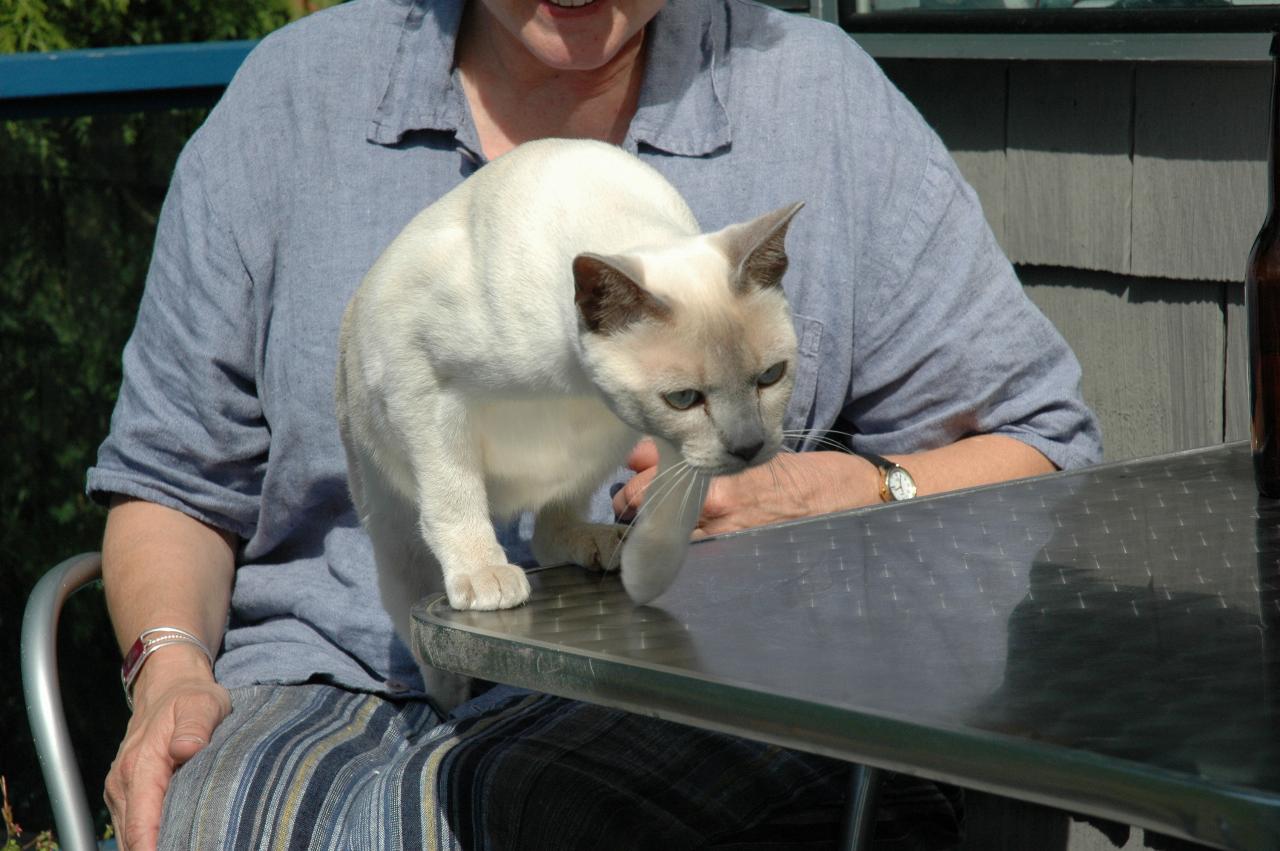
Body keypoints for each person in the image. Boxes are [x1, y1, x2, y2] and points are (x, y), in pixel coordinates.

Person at [89, 0, 1102, 847]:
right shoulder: (292, 98)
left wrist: (858, 487)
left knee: (486, 817)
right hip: (322, 670)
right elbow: (175, 481)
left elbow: (1040, 440)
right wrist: (169, 663)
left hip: (697, 680)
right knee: (221, 819)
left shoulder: (820, 102)